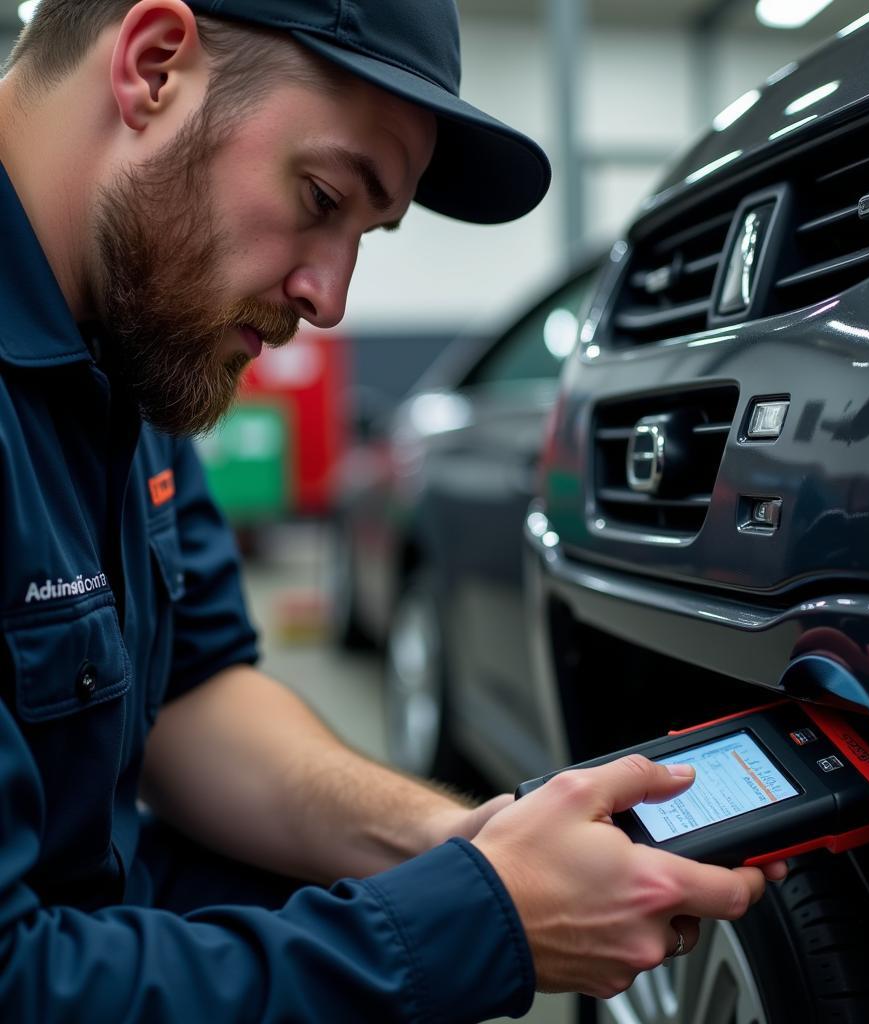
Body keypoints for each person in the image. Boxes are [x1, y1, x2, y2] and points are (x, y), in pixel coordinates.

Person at [0, 2, 785, 1020]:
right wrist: (479, 919)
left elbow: (194, 696)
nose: (328, 297)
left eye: (366, 232)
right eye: (322, 195)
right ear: (154, 68)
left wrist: (467, 843)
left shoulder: (126, 337)